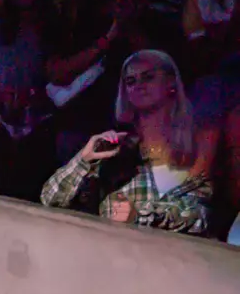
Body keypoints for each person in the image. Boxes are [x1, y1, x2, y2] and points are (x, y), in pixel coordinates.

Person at [40, 50, 213, 235]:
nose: (139, 85)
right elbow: (50, 199)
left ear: (171, 82)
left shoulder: (194, 146)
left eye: (148, 77)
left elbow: (198, 216)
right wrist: (84, 160)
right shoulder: (114, 148)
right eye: (131, 81)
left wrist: (140, 216)